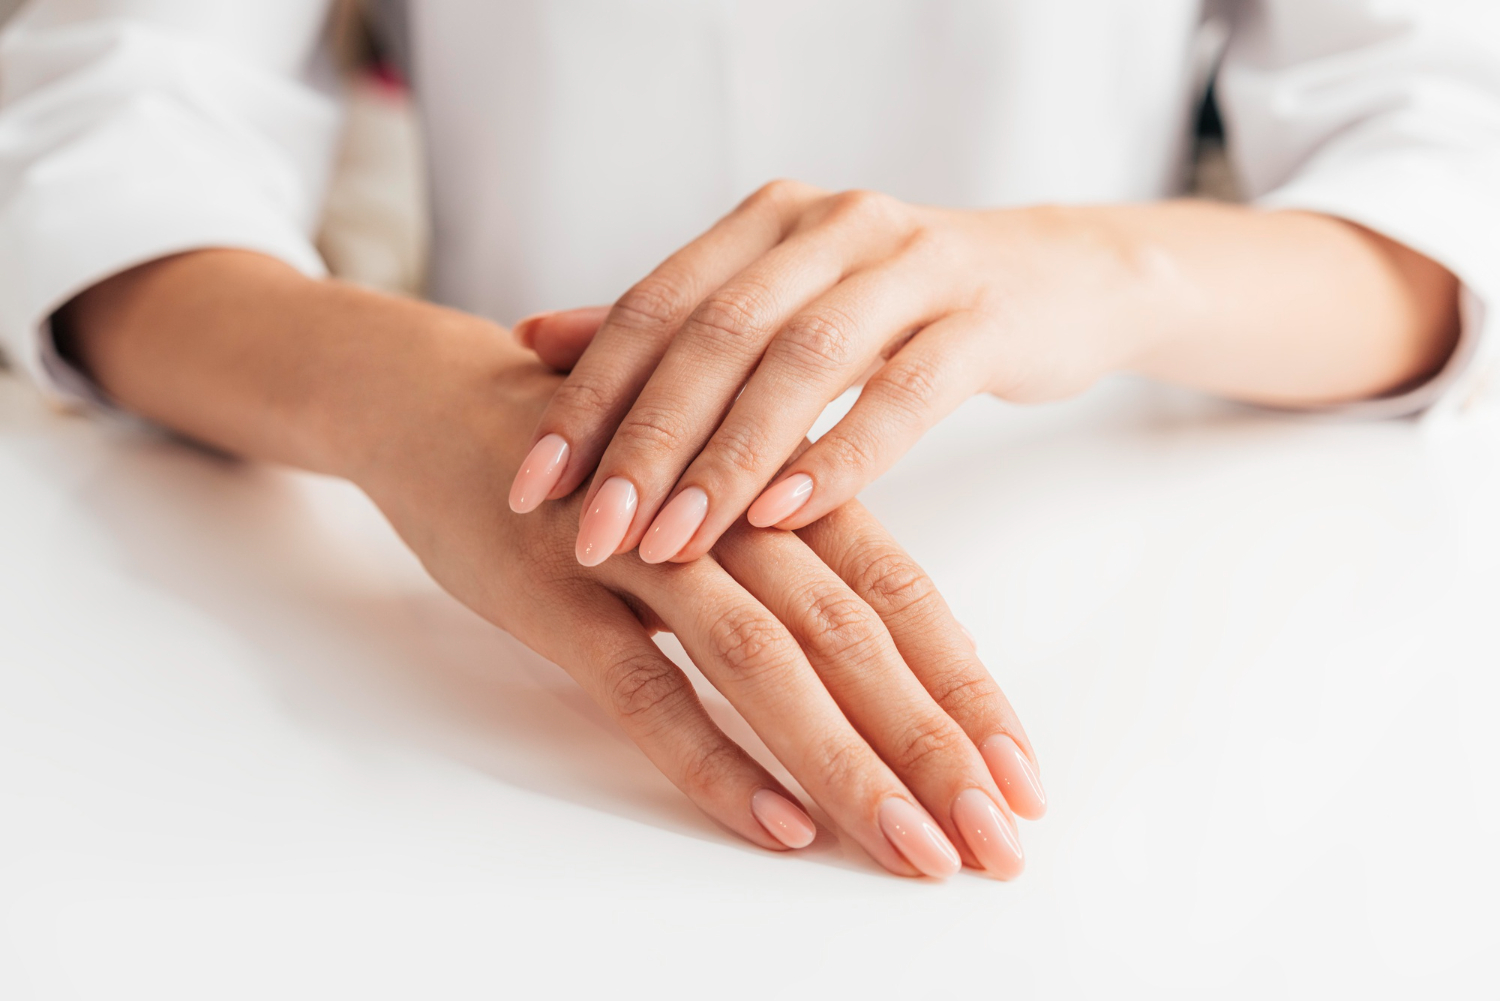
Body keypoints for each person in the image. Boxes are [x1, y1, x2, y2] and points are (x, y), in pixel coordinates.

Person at [0, 1, 1496, 881]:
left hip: (1156, 588)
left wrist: (1099, 266)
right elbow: (110, 122)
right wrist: (402, 395)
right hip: (481, 564)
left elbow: (1439, 153)